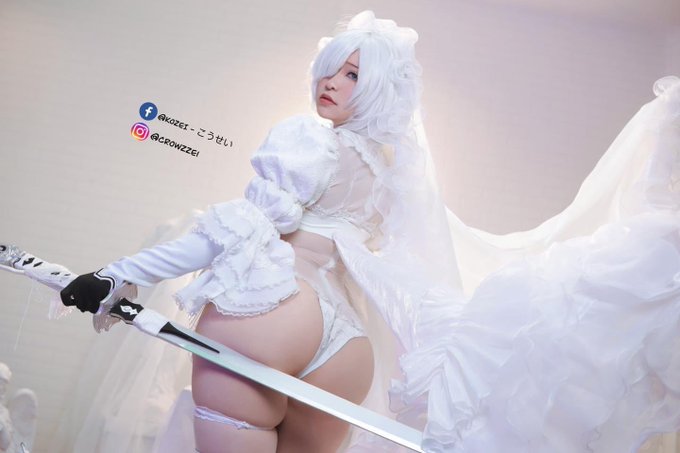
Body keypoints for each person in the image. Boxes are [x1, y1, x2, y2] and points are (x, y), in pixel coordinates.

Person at [60, 10, 680, 453]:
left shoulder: (308, 138)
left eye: (354, 75)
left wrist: (116, 274)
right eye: (331, 69)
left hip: (275, 309)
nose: (331, 82)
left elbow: (236, 230)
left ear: (381, 88)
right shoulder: (384, 170)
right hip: (346, 349)